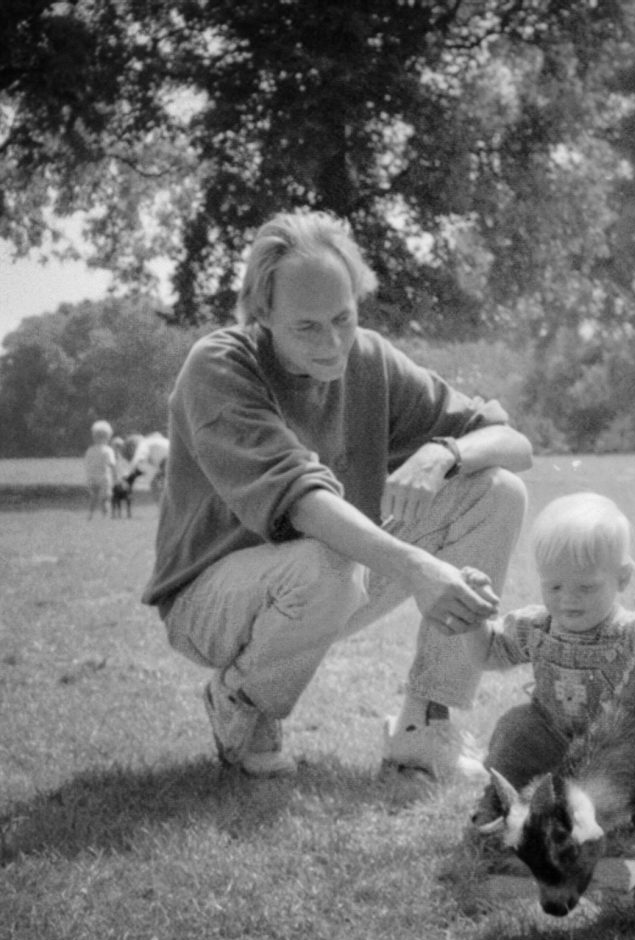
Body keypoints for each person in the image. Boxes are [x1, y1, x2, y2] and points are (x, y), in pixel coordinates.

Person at [141, 210, 532, 779]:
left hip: (329, 580)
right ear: (264, 313)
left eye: (343, 318)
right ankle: (242, 703)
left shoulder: (368, 358)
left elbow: (513, 441)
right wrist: (420, 568)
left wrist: (448, 452)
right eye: (307, 327)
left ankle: (426, 724)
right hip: (210, 602)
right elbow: (300, 502)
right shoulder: (220, 366)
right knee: (324, 553)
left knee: (496, 490)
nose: (332, 344)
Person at [466, 491, 635, 826]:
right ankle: (500, 799)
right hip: (551, 735)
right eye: (554, 587)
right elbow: (488, 653)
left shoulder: (633, 632)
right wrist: (472, 619)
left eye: (586, 588)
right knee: (515, 728)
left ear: (622, 578)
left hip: (612, 746)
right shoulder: (537, 626)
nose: (568, 600)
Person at [83, 420, 118, 519]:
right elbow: (112, 464)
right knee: (105, 498)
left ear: (94, 437)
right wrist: (115, 476)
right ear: (108, 437)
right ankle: (105, 515)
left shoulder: (90, 450)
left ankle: (90, 514)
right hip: (104, 477)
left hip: (91, 477)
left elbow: (87, 463)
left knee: (93, 497)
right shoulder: (108, 450)